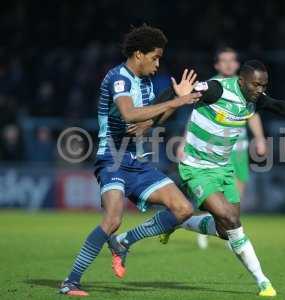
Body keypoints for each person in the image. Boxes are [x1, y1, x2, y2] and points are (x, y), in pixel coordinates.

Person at [117, 60, 285, 297]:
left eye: (264, 85)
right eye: (256, 85)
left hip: (224, 169)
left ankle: (179, 221)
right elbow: (178, 92)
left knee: (225, 230)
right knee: (231, 219)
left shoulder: (255, 99)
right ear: (242, 81)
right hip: (196, 168)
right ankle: (263, 282)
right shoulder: (217, 89)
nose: (260, 90)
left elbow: (282, 107)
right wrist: (148, 120)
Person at [59, 25, 201, 296]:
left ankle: (125, 242)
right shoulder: (118, 78)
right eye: (155, 57)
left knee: (183, 209)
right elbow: (128, 113)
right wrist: (175, 102)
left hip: (138, 161)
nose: (158, 64)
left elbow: (150, 120)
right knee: (112, 219)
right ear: (139, 54)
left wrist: (175, 100)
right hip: (111, 158)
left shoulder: (146, 82)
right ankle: (70, 281)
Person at [176, 47, 267, 249]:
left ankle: (230, 230)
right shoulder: (214, 86)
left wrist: (260, 138)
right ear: (217, 65)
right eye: (224, 61)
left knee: (236, 194)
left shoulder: (249, 88)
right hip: (211, 149)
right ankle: (204, 229)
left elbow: (254, 114)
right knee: (211, 193)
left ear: (237, 65)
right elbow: (195, 118)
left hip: (239, 148)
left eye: (232, 60)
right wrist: (184, 142)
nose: (228, 64)